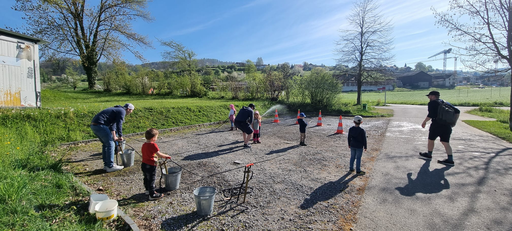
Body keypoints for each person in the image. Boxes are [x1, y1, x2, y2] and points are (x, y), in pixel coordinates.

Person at [90, 103, 134, 172]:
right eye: (131, 111)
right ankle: (110, 166)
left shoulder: (117, 110)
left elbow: (112, 126)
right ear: (128, 109)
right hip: (101, 125)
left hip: (94, 125)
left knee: (106, 144)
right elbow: (119, 124)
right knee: (111, 144)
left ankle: (106, 165)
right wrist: (120, 135)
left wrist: (115, 137)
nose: (131, 112)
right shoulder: (122, 111)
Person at [420, 91, 455, 166]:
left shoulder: (432, 103)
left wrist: (424, 122)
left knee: (431, 140)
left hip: (436, 125)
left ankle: (429, 154)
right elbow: (457, 111)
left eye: (429, 96)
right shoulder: (445, 103)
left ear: (433, 96)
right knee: (445, 142)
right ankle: (450, 159)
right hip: (447, 125)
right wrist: (453, 123)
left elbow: (431, 114)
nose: (428, 98)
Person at [141, 128, 172, 200]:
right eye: (156, 137)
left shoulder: (144, 145)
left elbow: (147, 154)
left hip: (144, 164)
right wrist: (166, 156)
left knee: (146, 178)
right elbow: (159, 154)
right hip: (150, 165)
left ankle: (147, 190)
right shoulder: (153, 145)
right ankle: (152, 195)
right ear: (153, 138)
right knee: (152, 179)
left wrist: (153, 157)